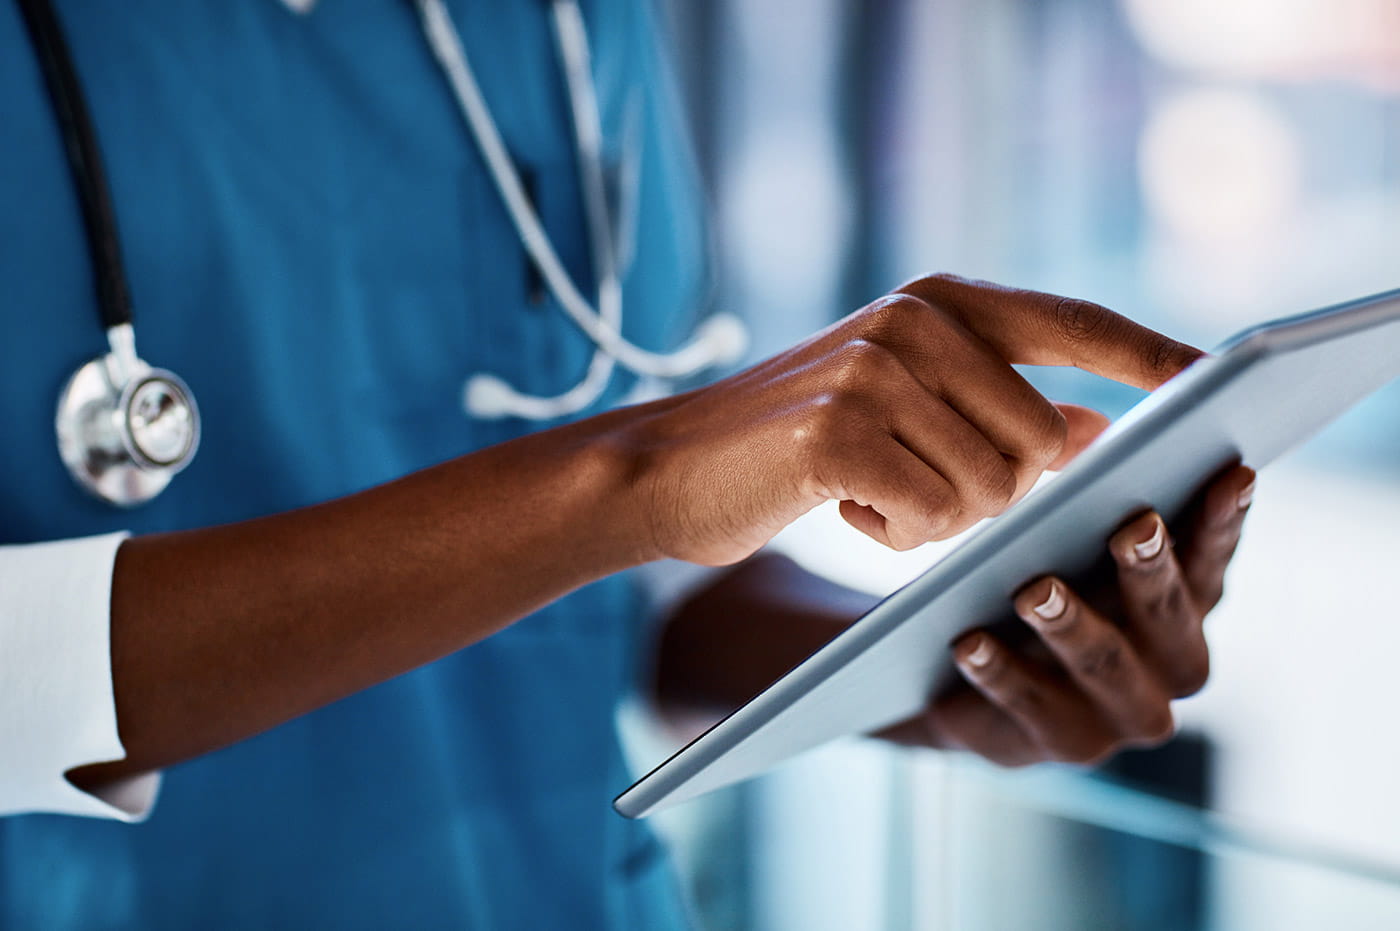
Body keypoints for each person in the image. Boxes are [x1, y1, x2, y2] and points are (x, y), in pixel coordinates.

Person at [0, 0, 1253, 927]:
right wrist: (636, 474)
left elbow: (618, 595)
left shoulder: (567, 29)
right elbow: (626, 492)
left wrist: (940, 661)